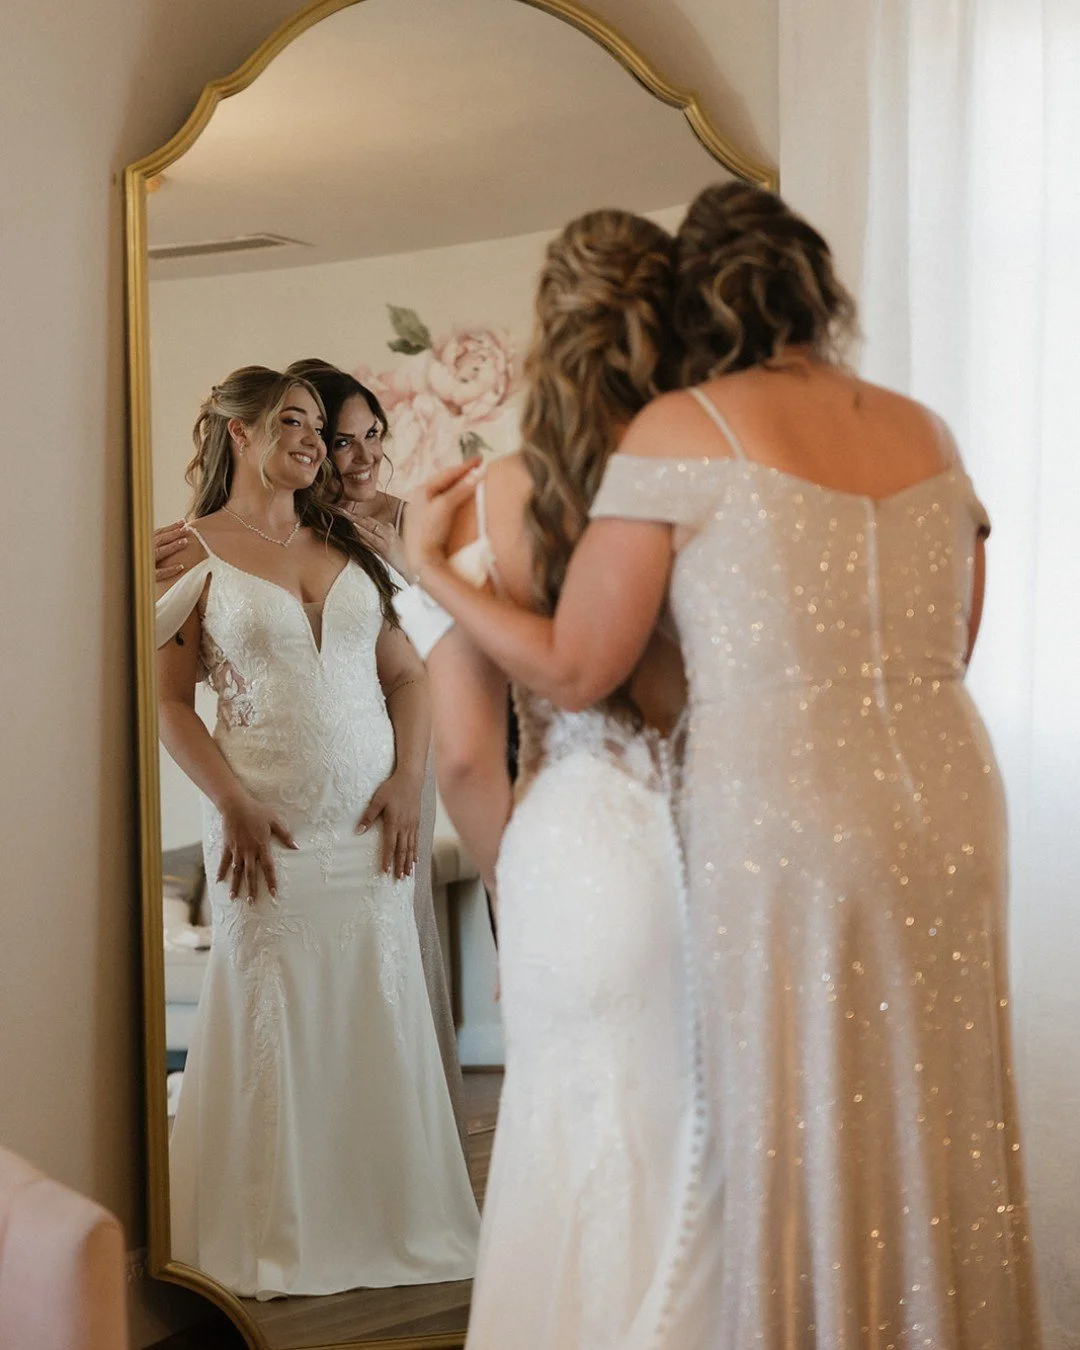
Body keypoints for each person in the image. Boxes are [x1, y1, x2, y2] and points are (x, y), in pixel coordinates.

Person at [405, 184, 1040, 1347]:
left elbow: (536, 694)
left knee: (708, 1131)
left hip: (724, 825)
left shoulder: (668, 443)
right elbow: (950, 638)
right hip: (909, 800)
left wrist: (433, 577)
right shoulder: (920, 431)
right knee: (892, 1111)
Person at [400, 211, 704, 1350]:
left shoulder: (489, 499)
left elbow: (470, 752)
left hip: (573, 855)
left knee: (569, 1154)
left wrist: (509, 871)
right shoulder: (704, 479)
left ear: (544, 332)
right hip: (712, 838)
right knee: (701, 1151)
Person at [156, 365, 479, 1298]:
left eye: (321, 425)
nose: (317, 440)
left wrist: (409, 787)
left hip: (371, 826)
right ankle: (274, 1235)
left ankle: (393, 1219)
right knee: (274, 1018)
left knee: (374, 1011)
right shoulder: (195, 552)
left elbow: (409, 679)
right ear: (237, 434)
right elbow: (173, 704)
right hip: (266, 826)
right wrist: (231, 804)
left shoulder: (344, 541)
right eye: (292, 422)